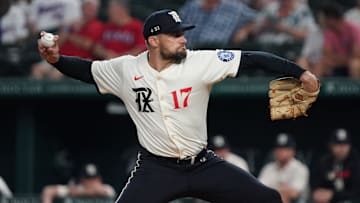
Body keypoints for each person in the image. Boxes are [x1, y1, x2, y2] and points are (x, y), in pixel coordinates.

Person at [37, 9, 319, 203]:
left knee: (267, 199)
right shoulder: (126, 69)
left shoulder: (199, 61)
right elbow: (88, 71)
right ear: (154, 41)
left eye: (182, 32)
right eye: (175, 34)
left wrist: (300, 73)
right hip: (157, 168)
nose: (183, 38)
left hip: (203, 164)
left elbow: (252, 58)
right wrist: (56, 60)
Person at [179, 0, 257, 48]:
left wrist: (244, 31)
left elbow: (254, 19)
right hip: (188, 49)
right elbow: (178, 24)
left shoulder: (234, 7)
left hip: (216, 51)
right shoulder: (192, 5)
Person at [311, 128, 360, 203]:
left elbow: (356, 191)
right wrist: (318, 192)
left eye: (345, 145)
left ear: (350, 146)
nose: (341, 149)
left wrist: (333, 194)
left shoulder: (356, 162)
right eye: (338, 145)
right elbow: (317, 184)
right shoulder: (324, 162)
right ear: (331, 146)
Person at [258, 133, 309, 203]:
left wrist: (272, 188)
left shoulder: (300, 168)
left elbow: (294, 194)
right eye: (278, 148)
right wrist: (284, 189)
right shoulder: (268, 168)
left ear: (292, 151)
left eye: (284, 149)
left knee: (282, 198)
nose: (280, 152)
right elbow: (260, 189)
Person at [316, 2, 360, 78]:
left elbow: (356, 54)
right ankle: (316, 88)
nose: (322, 20)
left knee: (355, 64)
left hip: (351, 62)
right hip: (340, 62)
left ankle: (356, 89)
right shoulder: (329, 32)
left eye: (324, 18)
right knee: (322, 63)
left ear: (330, 19)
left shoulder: (353, 29)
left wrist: (339, 58)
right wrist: (344, 59)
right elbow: (327, 54)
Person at [42, 163, 115, 203]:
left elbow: (100, 191)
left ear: (99, 179)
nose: (91, 182)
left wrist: (76, 192)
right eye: (88, 179)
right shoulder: (78, 188)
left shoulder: (107, 188)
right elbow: (48, 190)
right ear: (82, 180)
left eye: (94, 179)